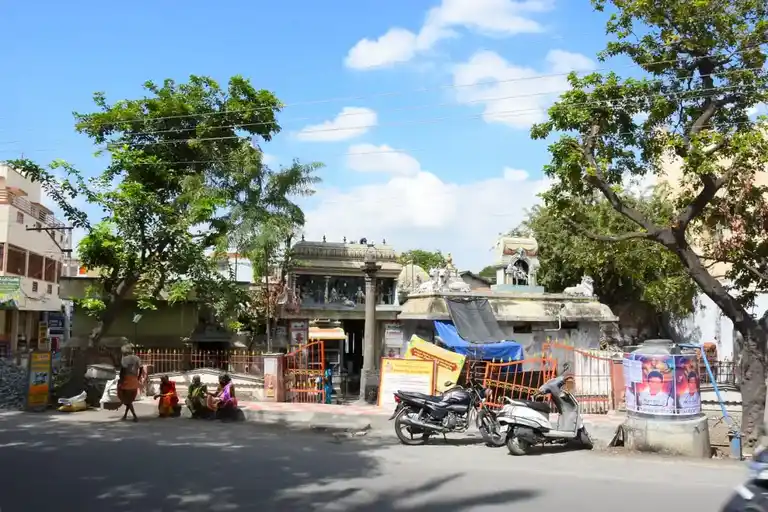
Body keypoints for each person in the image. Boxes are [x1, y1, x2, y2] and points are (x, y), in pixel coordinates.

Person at [118, 344, 143, 422]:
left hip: (126, 380)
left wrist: (120, 380)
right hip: (134, 380)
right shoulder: (137, 358)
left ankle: (135, 416)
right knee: (129, 400)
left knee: (126, 400)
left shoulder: (124, 359)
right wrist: (138, 377)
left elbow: (123, 370)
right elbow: (141, 368)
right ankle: (125, 416)